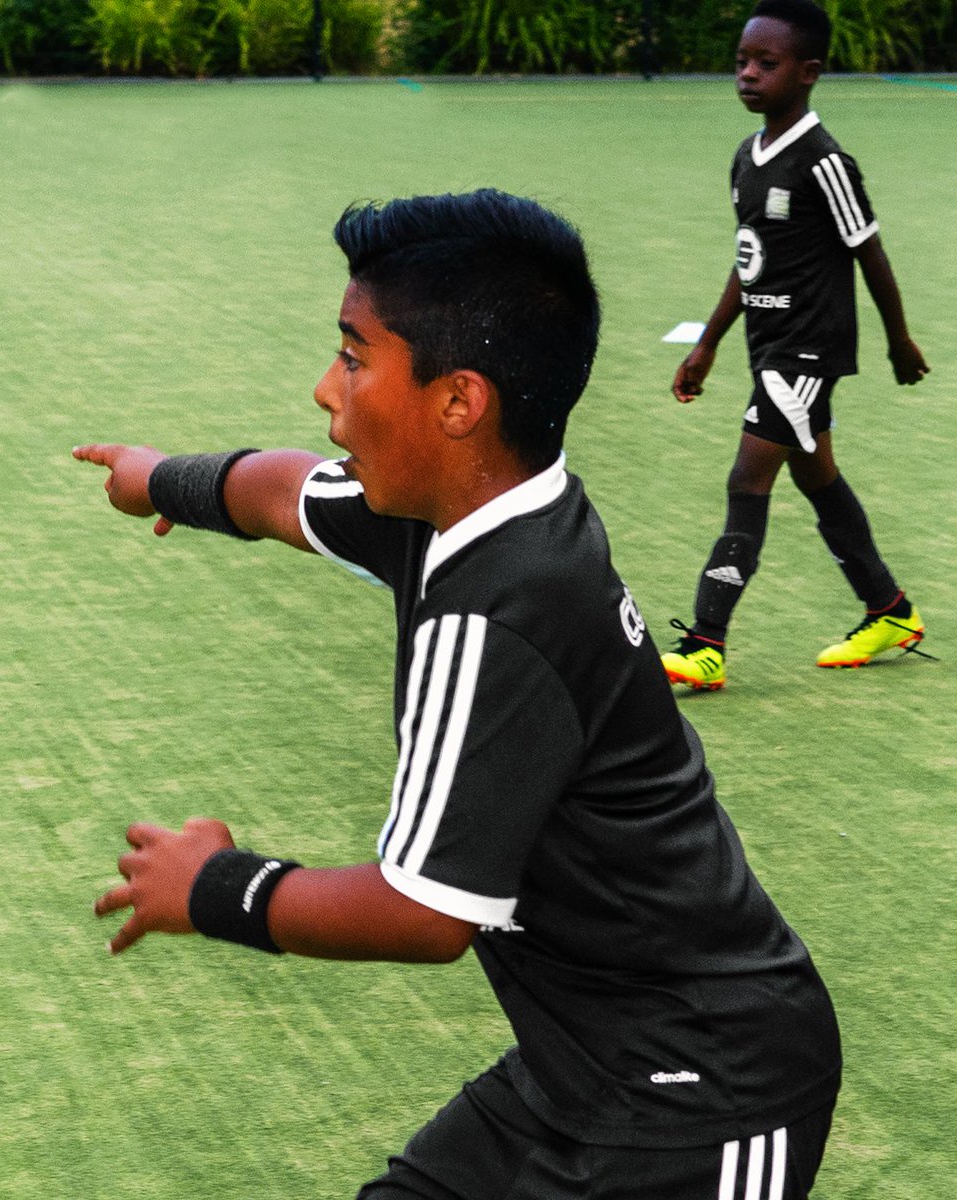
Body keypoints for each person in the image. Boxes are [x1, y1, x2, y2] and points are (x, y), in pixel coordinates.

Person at [75, 188, 841, 1198]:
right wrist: (163, 478)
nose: (325, 388)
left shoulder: (498, 614)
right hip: (582, 1071)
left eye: (353, 355)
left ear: (457, 402)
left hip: (706, 1094)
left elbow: (424, 911)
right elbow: (288, 490)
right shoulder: (465, 499)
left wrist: (215, 888)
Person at [664, 0, 930, 692]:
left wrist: (898, 339)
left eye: (766, 63)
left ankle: (705, 643)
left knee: (748, 478)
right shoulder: (746, 159)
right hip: (768, 343)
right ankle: (890, 611)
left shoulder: (825, 162)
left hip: (809, 351)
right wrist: (710, 343)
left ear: (809, 73)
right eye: (742, 62)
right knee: (817, 478)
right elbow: (749, 259)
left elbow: (870, 254)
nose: (748, 75)